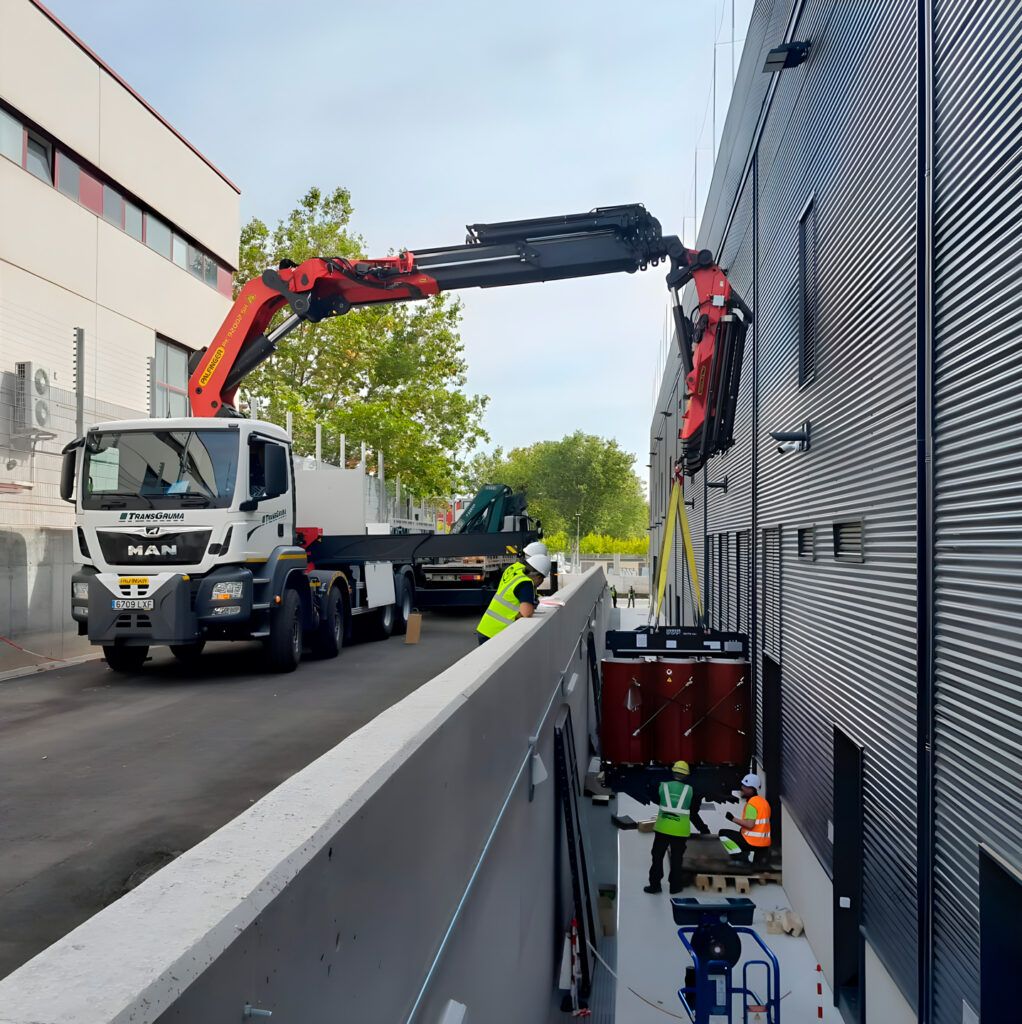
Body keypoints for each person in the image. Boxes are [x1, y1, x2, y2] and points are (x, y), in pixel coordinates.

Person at [475, 551, 552, 645]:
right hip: (495, 632)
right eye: (542, 580)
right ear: (539, 577)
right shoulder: (526, 583)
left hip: (486, 628)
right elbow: (527, 612)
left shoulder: (518, 577)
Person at [644, 760, 693, 895]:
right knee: (677, 858)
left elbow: (657, 798)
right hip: (680, 830)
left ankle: (655, 885)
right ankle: (675, 887)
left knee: (657, 856)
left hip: (663, 828)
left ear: (673, 773)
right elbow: (691, 806)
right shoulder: (690, 790)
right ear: (687, 776)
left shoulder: (663, 787)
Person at [718, 773, 772, 866]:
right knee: (739, 833)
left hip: (752, 842)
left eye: (745, 786)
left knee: (723, 833)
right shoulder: (763, 802)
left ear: (752, 789)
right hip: (764, 845)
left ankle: (741, 858)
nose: (742, 788)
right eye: (742, 785)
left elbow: (750, 825)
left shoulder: (752, 803)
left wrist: (732, 818)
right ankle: (748, 856)